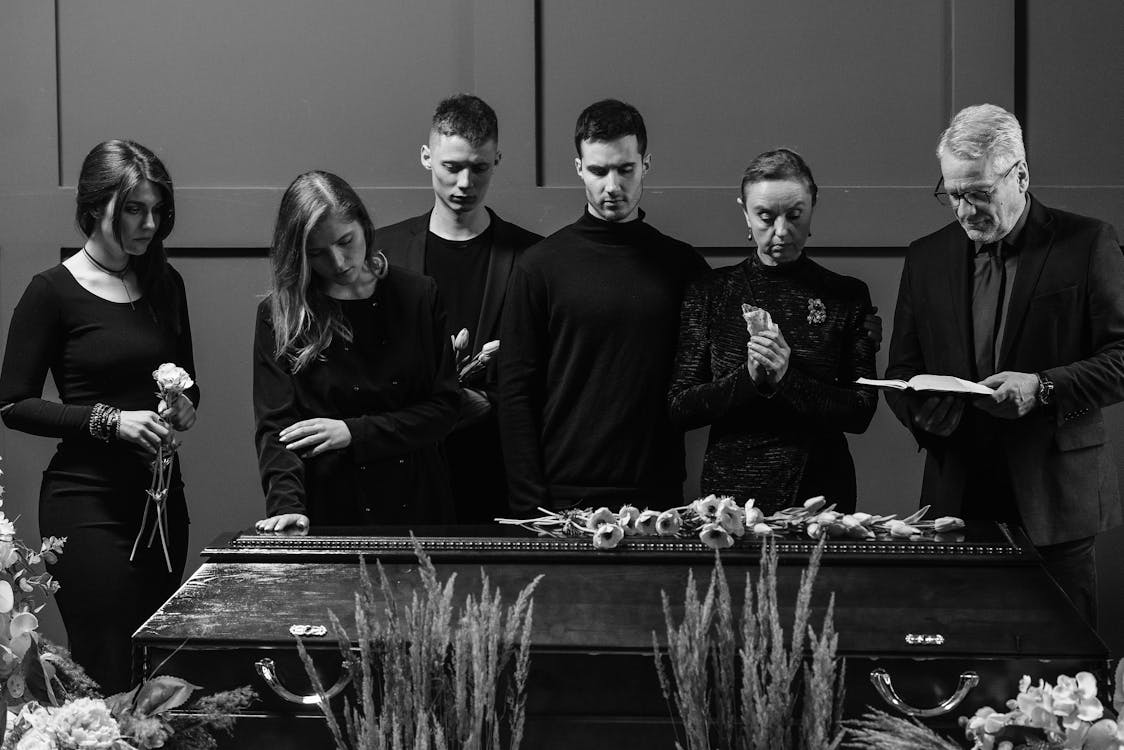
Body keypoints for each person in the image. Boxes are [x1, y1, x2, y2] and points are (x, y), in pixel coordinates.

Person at [885, 104, 1124, 624]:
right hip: (956, 490)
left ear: (1020, 174)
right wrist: (926, 413)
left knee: (1062, 667)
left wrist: (1041, 386)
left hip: (1054, 493)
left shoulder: (1087, 243)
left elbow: (1121, 358)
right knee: (962, 658)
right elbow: (901, 371)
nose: (966, 210)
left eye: (980, 193)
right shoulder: (925, 256)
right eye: (953, 195)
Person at [0, 140, 198, 693]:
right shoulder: (51, 292)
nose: (150, 224)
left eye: (157, 210)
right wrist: (111, 421)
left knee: (153, 672)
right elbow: (13, 404)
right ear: (95, 207)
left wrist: (184, 406)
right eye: (134, 209)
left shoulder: (165, 284)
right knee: (107, 667)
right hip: (85, 504)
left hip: (159, 504)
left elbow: (188, 378)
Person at [498, 99, 709, 514]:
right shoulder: (540, 266)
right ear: (579, 167)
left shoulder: (683, 266)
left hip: (657, 494)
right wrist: (528, 502)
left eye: (625, 169)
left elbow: (703, 386)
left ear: (645, 164)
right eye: (598, 170)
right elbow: (516, 392)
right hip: (561, 494)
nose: (612, 185)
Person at [668, 149, 878, 513]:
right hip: (729, 498)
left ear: (813, 206)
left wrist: (787, 377)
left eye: (795, 215)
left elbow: (860, 412)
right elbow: (680, 408)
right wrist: (749, 379)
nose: (781, 231)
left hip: (822, 494)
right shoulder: (711, 292)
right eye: (765, 217)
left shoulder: (847, 295)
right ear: (745, 213)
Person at [253, 171, 459, 533]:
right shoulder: (280, 314)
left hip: (418, 502)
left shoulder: (419, 295)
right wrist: (287, 506)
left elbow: (444, 409)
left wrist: (354, 433)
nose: (338, 262)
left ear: (364, 225)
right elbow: (277, 429)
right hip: (330, 505)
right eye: (317, 253)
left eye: (346, 241)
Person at [375, 94, 542, 523]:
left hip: (498, 473)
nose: (465, 183)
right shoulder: (384, 252)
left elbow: (549, 368)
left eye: (479, 168)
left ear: (497, 159)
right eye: (452, 167)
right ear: (426, 157)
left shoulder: (533, 256)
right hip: (404, 469)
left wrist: (491, 401)